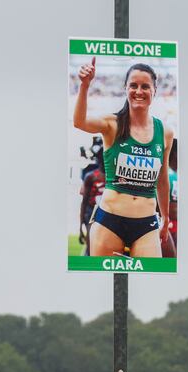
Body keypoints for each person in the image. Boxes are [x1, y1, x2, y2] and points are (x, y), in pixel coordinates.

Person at [73, 57, 173, 257]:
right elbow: (80, 122)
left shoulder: (165, 132)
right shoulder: (112, 123)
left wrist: (165, 218)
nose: (138, 91)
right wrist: (84, 86)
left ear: (154, 90)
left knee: (149, 280)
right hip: (110, 220)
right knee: (103, 282)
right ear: (125, 88)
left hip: (146, 224)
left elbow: (162, 180)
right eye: (133, 86)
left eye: (145, 86)